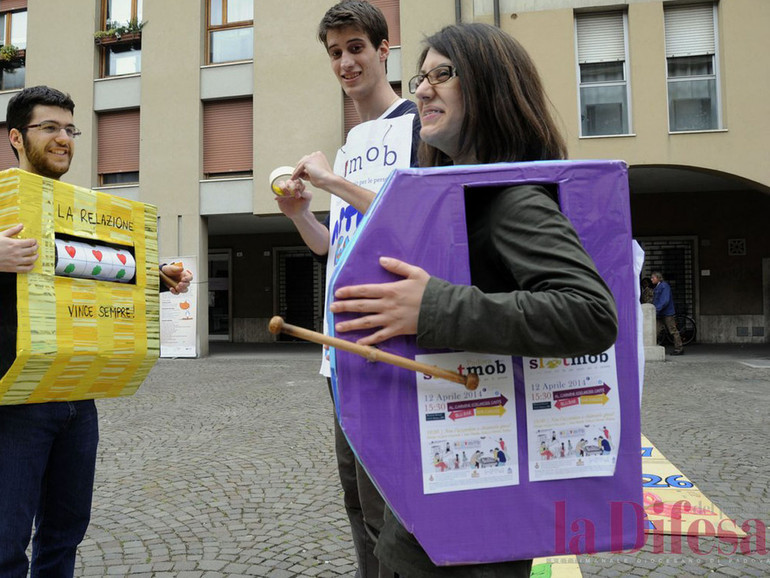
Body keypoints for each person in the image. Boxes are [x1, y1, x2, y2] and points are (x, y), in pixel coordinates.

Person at [329, 23, 618, 577]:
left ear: (489, 86)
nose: (422, 89)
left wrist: (430, 308)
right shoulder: (461, 194)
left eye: (444, 74)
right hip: (439, 493)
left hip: (474, 513)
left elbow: (588, 312)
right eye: (421, 76)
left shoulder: (511, 199)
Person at [0, 85, 191, 578]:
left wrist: (153, 278)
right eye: (50, 128)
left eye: (70, 129)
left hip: (77, 392)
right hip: (14, 398)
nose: (64, 139)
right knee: (4, 543)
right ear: (16, 137)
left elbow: (83, 276)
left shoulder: (77, 209)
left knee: (65, 534)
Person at [274, 2, 420, 577]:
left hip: (388, 346)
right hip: (341, 355)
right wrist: (300, 215)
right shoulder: (355, 139)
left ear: (384, 51)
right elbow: (333, 245)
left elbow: (412, 223)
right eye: (335, 52)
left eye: (357, 47)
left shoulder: (414, 126)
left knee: (390, 508)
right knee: (357, 504)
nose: (346, 61)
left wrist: (335, 180)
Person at [650, 271, 683, 355]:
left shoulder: (664, 286)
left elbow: (665, 300)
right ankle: (653, 347)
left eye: (653, 278)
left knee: (672, 330)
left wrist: (656, 309)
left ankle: (679, 348)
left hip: (666, 313)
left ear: (658, 278)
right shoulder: (658, 287)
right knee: (655, 331)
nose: (651, 279)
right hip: (661, 313)